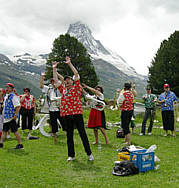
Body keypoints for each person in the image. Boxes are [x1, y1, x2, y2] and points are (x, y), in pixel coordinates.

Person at [52, 56, 94, 161]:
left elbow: (76, 74)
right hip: (66, 115)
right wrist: (54, 69)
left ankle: (89, 154)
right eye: (65, 80)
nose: (67, 81)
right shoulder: (63, 90)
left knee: (82, 134)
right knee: (69, 135)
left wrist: (69, 63)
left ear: (72, 81)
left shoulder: (76, 87)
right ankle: (71, 155)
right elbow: (56, 81)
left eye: (68, 79)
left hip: (76, 113)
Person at [40, 73, 64, 142]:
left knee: (63, 122)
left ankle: (68, 134)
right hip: (51, 109)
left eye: (54, 82)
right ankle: (55, 138)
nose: (53, 83)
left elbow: (63, 80)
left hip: (60, 108)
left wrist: (56, 72)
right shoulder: (49, 89)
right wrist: (42, 77)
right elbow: (41, 86)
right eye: (52, 82)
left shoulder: (60, 88)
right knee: (53, 123)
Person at [0, 83, 23, 149]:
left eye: (8, 87)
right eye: (6, 87)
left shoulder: (13, 96)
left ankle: (20, 144)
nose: (6, 89)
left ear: (12, 89)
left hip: (11, 117)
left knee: (15, 131)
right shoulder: (6, 96)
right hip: (6, 117)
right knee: (4, 131)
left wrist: (15, 115)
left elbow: (18, 106)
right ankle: (1, 143)